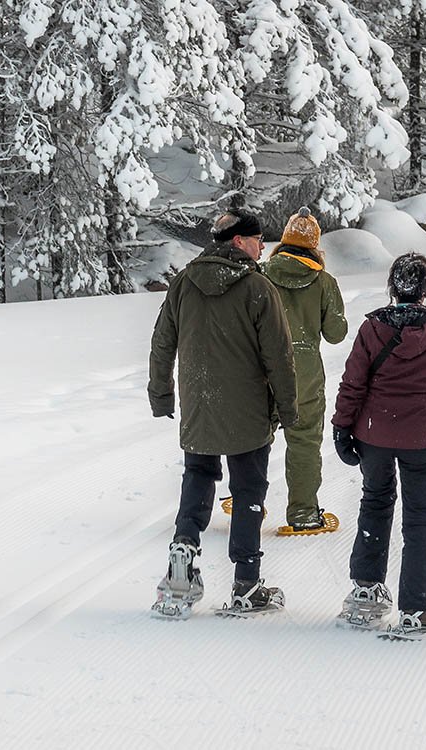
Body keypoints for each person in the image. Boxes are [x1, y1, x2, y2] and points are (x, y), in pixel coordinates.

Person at [147, 209, 298, 618]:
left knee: (198, 476)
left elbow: (162, 343)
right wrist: (288, 407)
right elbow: (279, 357)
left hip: (200, 405)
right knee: (248, 490)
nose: (262, 246)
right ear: (238, 242)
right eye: (256, 239)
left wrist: (162, 395)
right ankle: (247, 584)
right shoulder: (257, 288)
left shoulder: (183, 284)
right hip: (248, 409)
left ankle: (183, 550)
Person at [331, 252, 426, 637]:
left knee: (375, 504)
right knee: (419, 518)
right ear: (425, 289)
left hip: (374, 436)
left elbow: (353, 383)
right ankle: (416, 607)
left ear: (393, 287)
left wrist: (342, 427)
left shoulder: (371, 331)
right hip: (423, 441)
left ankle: (365, 591)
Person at [260, 206, 348, 533]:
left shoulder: (261, 275)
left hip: (263, 370)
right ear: (314, 245)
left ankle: (245, 503)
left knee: (254, 438)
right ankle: (304, 515)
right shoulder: (324, 282)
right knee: (305, 443)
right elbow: (336, 334)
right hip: (305, 377)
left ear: (283, 241)